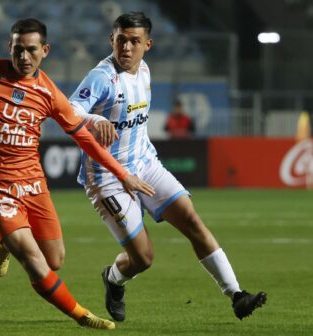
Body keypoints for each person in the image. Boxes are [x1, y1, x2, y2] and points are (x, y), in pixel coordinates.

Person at [0, 18, 154, 330]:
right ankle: (81, 315)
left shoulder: (49, 93)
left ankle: (2, 241)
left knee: (54, 260)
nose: (24, 57)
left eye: (31, 50)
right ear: (9, 48)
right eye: (18, 50)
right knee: (34, 262)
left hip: (32, 181)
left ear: (45, 51)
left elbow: (84, 139)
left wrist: (121, 174)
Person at [69, 11, 267, 322]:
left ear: (147, 44)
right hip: (107, 177)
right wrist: (95, 119)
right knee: (143, 258)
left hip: (145, 163)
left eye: (134, 41)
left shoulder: (145, 71)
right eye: (121, 40)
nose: (127, 47)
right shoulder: (102, 77)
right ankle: (113, 278)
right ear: (112, 39)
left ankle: (236, 295)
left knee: (192, 220)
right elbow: (69, 109)